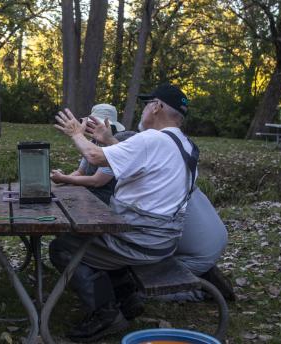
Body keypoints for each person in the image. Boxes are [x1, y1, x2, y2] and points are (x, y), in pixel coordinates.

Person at [50, 84, 198, 342]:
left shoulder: (152, 139)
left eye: (146, 104)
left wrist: (76, 132)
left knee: (64, 246)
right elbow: (134, 160)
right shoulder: (184, 145)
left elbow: (94, 157)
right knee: (93, 241)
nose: (143, 110)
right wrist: (108, 139)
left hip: (139, 239)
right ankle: (127, 295)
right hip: (163, 240)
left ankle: (106, 314)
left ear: (157, 107)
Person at [50, 104, 133, 205]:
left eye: (100, 124)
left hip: (105, 200)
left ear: (111, 126)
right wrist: (61, 178)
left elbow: (97, 181)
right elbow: (81, 172)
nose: (94, 127)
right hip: (88, 193)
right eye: (92, 123)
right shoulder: (93, 142)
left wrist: (63, 178)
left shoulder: (118, 143)